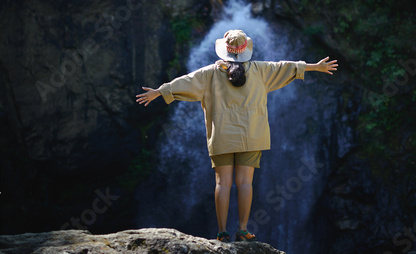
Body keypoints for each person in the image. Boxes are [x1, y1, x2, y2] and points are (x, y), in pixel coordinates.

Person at [136, 29, 338, 243]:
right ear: (245, 50)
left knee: (222, 184)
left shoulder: (210, 74)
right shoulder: (261, 70)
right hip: (251, 137)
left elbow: (185, 81)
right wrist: (316, 67)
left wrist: (158, 91)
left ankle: (222, 233)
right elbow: (286, 66)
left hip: (221, 137)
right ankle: (243, 230)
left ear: (225, 50)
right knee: (245, 183)